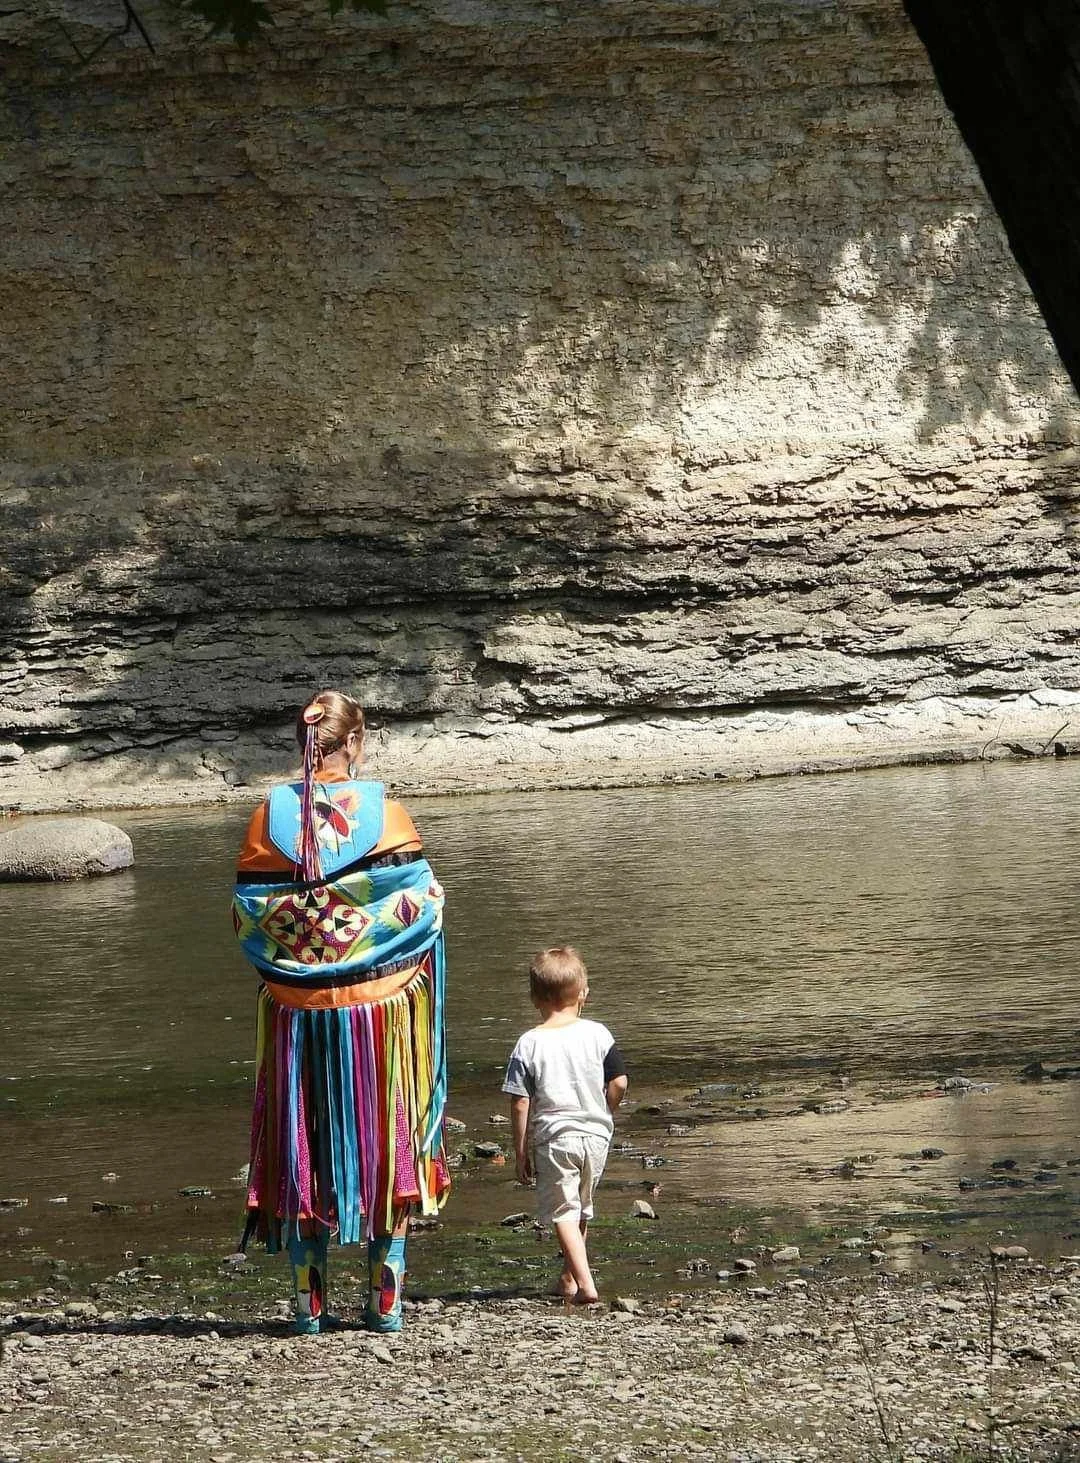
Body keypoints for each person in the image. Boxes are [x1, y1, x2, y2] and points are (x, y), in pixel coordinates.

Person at [232, 690, 450, 1334]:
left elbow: (250, 915)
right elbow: (422, 906)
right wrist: (365, 943)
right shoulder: (387, 813)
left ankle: (308, 1306)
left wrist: (308, 953)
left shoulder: (263, 817)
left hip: (297, 1012)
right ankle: (385, 1305)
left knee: (302, 1142)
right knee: (391, 1141)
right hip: (380, 1012)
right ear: (353, 743)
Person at [502, 946, 628, 1304]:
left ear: (533, 997)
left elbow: (520, 1100)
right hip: (596, 1136)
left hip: (556, 1138)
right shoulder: (599, 1034)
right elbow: (619, 1082)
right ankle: (568, 1279)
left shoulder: (529, 1043)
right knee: (580, 1207)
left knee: (562, 1213)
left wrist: (520, 1150)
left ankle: (587, 1286)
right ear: (584, 993)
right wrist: (606, 1110)